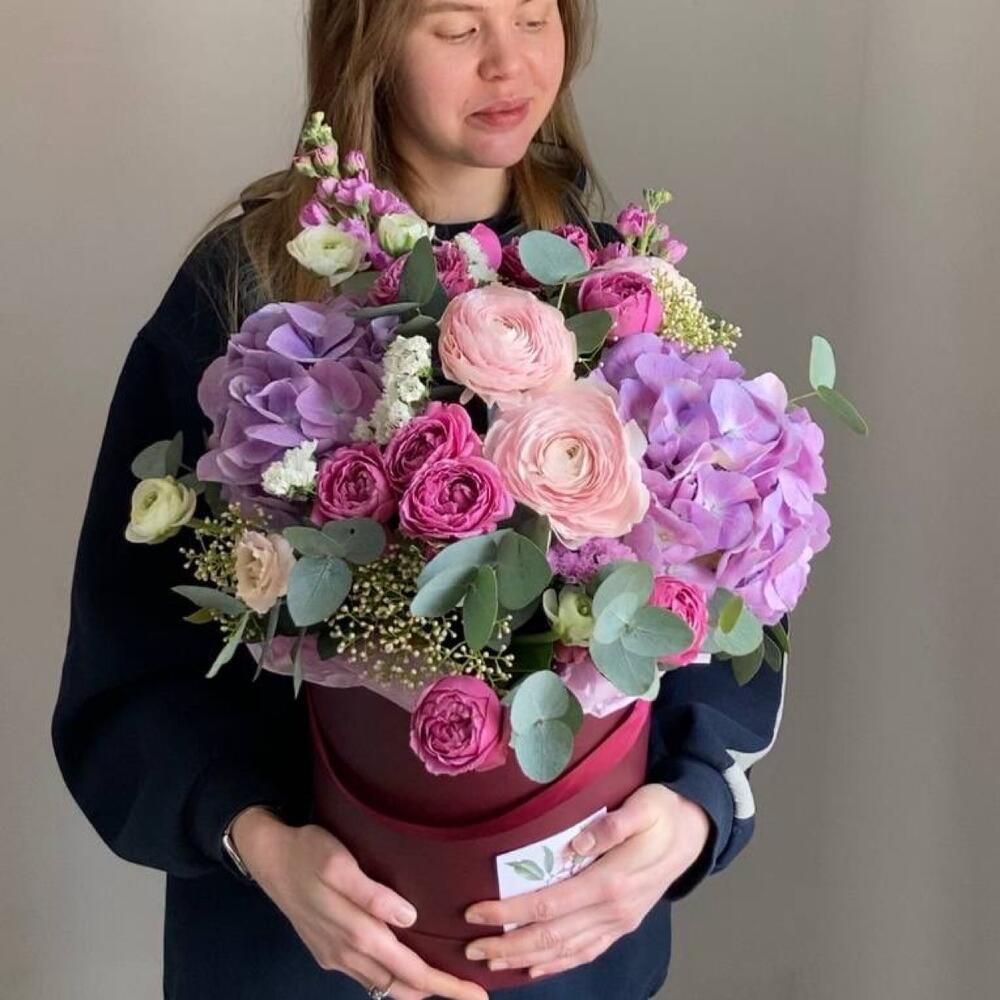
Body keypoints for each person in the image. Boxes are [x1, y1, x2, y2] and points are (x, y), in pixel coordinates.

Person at [51, 1, 788, 998]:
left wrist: (690, 812)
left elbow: (729, 588)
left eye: (534, 17)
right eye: (456, 27)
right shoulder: (248, 289)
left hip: (572, 954)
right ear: (367, 43)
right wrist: (262, 844)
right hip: (302, 954)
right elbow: (129, 656)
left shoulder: (620, 291)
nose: (508, 63)